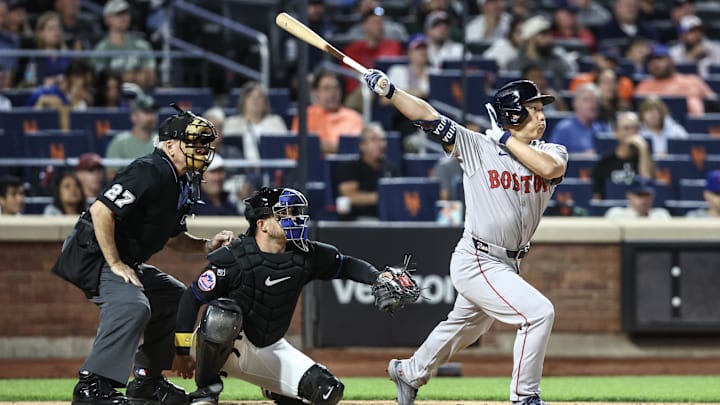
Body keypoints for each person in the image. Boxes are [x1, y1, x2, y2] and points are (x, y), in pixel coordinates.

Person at [362, 65, 568, 404]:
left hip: (508, 261)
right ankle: (525, 397)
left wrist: (503, 138)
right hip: (478, 258)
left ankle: (409, 371)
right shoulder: (476, 147)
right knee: (538, 313)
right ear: (513, 113)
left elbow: (550, 170)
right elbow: (429, 117)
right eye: (533, 109)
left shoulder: (551, 151)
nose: (541, 116)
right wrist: (391, 91)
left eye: (541, 109)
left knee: (464, 326)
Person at [51, 106, 235, 405]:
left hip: (120, 257)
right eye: (196, 142)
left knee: (174, 296)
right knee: (133, 305)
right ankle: (92, 387)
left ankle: (147, 382)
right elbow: (101, 211)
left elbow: (174, 238)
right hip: (92, 253)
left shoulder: (181, 180)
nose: (203, 149)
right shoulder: (150, 168)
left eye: (205, 143)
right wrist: (114, 263)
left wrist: (206, 246)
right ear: (172, 145)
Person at [172, 187, 415, 405]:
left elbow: (347, 265)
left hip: (268, 346)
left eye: (295, 212)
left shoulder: (305, 254)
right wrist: (182, 352)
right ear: (262, 224)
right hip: (218, 346)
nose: (294, 219)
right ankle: (207, 390)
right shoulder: (234, 257)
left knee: (329, 391)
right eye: (285, 214)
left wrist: (377, 277)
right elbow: (191, 299)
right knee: (222, 315)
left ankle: (276, 389)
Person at [291, 69, 364, 155]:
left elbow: (357, 147)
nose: (332, 93)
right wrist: (339, 148)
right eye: (326, 88)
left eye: (336, 88)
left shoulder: (354, 117)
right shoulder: (305, 115)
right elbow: (295, 146)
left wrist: (325, 146)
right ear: (316, 92)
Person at [336, 123, 399, 220]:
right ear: (362, 146)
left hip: (386, 218)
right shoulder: (351, 167)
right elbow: (350, 196)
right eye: (374, 140)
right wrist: (382, 197)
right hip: (359, 219)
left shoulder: (391, 168)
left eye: (382, 139)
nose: (380, 144)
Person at [634, 44, 716, 117]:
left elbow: (714, 103)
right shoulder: (644, 86)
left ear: (671, 60)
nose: (655, 63)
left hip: (694, 128)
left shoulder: (693, 80)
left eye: (659, 59)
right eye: (651, 60)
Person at [93, 0, 156, 90]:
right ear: (107, 19)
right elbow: (101, 81)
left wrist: (118, 76)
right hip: (111, 100)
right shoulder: (101, 49)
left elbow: (150, 79)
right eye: (118, 14)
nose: (124, 17)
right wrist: (135, 76)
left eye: (126, 14)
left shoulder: (142, 46)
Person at [591, 112, 654, 200]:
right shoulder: (603, 164)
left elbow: (647, 187)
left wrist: (643, 149)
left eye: (636, 128)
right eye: (626, 128)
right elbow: (597, 198)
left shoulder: (645, 160)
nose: (632, 132)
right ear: (616, 133)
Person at [224, 81, 288, 161]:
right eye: (250, 96)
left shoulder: (276, 121)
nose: (255, 100)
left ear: (265, 103)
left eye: (259, 97)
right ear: (243, 102)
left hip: (270, 166)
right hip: (240, 169)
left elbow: (285, 147)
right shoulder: (232, 123)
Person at [104, 94, 159, 179]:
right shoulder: (119, 142)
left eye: (153, 112)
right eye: (146, 112)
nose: (150, 117)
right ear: (134, 116)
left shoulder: (164, 142)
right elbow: (111, 174)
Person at [548, 83, 605, 155]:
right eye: (587, 100)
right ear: (575, 103)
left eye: (596, 101)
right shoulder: (564, 129)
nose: (593, 104)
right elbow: (552, 156)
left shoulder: (603, 128)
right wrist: (583, 157)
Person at [669, 15, 720, 79]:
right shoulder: (674, 52)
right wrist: (690, 57)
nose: (696, 33)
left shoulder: (715, 48)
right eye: (691, 31)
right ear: (681, 34)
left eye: (699, 30)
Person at [604, 175, 671, 219]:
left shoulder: (661, 216)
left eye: (647, 195)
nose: (643, 199)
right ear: (629, 196)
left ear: (652, 196)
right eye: (639, 195)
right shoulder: (616, 215)